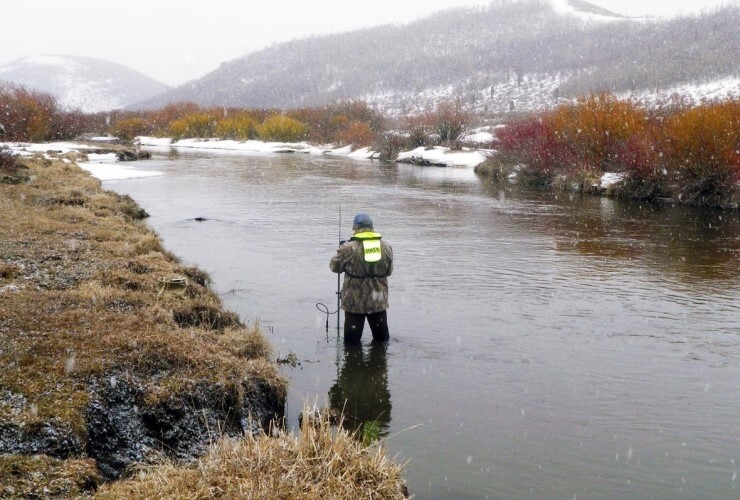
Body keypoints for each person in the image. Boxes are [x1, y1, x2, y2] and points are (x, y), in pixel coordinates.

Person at [330, 213, 393, 343]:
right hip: (378, 301)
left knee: (351, 344)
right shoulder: (386, 247)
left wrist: (341, 249)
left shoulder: (348, 248)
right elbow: (389, 271)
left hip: (354, 302)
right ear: (372, 228)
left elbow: (334, 267)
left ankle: (352, 361)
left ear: (356, 228)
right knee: (382, 342)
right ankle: (380, 361)